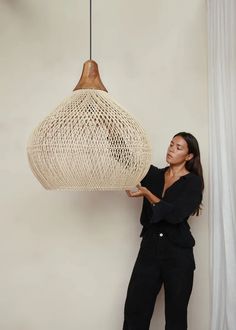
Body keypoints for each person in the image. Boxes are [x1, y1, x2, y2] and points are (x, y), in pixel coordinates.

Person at [122, 132, 204, 330]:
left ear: (189, 156)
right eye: (171, 144)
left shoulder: (193, 183)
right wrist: (110, 128)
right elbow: (127, 157)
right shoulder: (154, 175)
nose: (171, 149)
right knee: (135, 310)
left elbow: (175, 215)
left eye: (179, 147)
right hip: (149, 249)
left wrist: (149, 195)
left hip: (178, 255)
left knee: (176, 317)